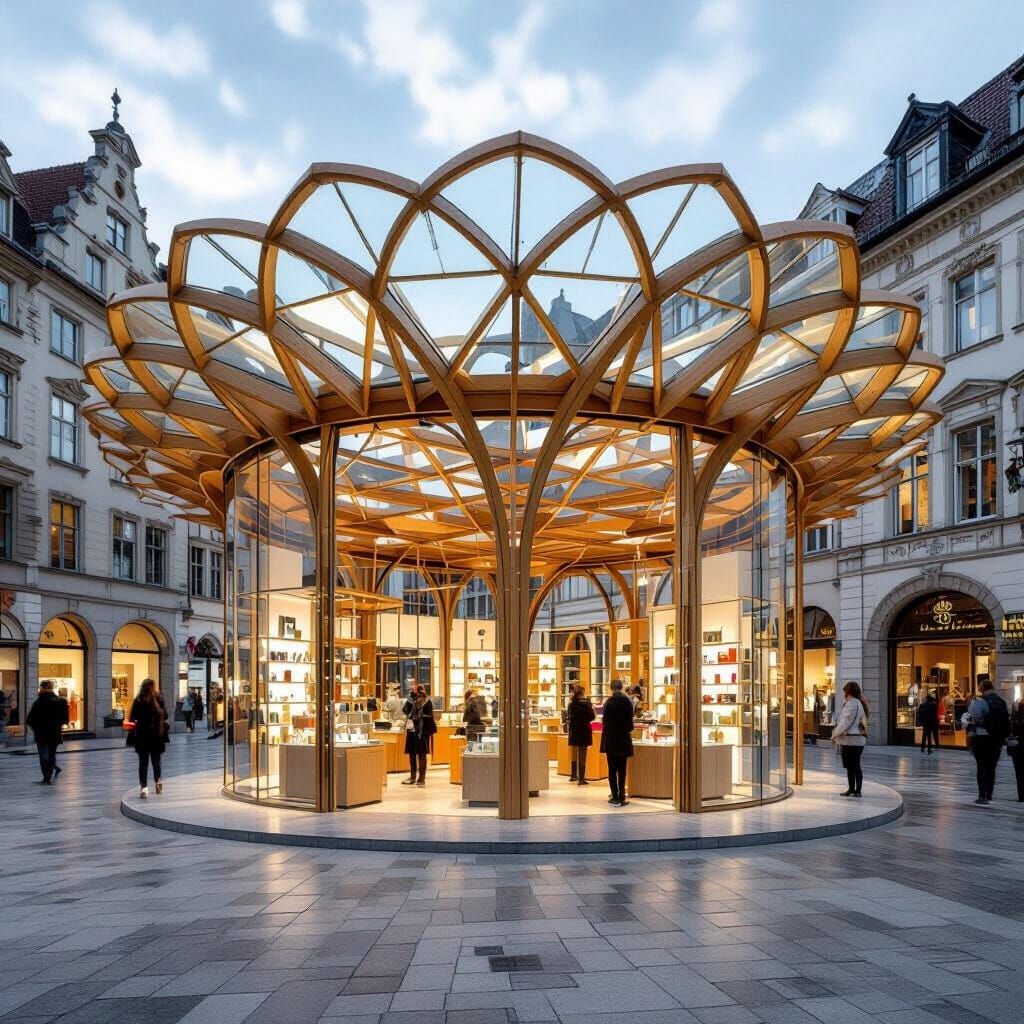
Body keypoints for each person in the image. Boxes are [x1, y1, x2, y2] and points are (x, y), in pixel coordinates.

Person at [963, 676, 1009, 805]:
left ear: (982, 688)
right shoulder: (1001, 702)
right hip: (996, 739)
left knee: (981, 766)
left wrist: (970, 733)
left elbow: (972, 719)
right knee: (991, 767)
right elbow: (1006, 721)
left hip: (981, 737)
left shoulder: (979, 701)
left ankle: (982, 795)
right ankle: (989, 794)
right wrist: (1004, 737)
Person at [129, 678, 169, 798]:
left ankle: (145, 787)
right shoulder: (158, 699)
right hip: (154, 735)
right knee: (155, 761)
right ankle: (156, 783)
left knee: (145, 763)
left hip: (144, 736)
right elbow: (165, 715)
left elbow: (132, 718)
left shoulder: (140, 700)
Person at [25, 680, 69, 785]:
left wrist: (35, 727)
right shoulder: (61, 701)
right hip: (54, 733)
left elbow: (29, 720)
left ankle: (46, 777)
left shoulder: (38, 702)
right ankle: (48, 776)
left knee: (43, 756)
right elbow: (65, 719)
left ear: (42, 688)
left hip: (41, 733)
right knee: (51, 755)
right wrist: (57, 725)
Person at [831, 681, 869, 798]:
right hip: (857, 740)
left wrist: (835, 734)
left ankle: (854, 790)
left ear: (848, 692)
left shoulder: (852, 704)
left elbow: (845, 722)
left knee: (852, 766)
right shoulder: (859, 703)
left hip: (851, 740)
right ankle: (855, 790)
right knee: (855, 766)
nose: (844, 694)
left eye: (845, 692)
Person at [600, 679, 634, 807]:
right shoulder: (627, 702)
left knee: (612, 769)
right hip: (623, 739)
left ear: (611, 688)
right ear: (622, 687)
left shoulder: (608, 702)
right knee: (622, 769)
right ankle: (622, 796)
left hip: (611, 739)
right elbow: (630, 724)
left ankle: (614, 796)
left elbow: (605, 722)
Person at [401, 688, 436, 786]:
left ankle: (421, 777)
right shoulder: (413, 700)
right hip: (412, 730)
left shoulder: (427, 702)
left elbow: (428, 717)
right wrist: (410, 700)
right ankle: (413, 777)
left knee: (421, 754)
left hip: (422, 732)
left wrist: (418, 709)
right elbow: (405, 710)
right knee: (412, 753)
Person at [567, 685, 595, 785]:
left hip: (574, 730)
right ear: (582, 693)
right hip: (584, 730)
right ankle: (581, 778)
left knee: (574, 751)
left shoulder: (571, 704)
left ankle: (573, 775)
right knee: (583, 753)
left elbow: (569, 717)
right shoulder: (587, 704)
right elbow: (592, 717)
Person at [1007, 697, 1024, 803]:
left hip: (1018, 748)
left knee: (1019, 772)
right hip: (1019, 747)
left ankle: (1021, 795)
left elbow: (1011, 732)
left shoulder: (1016, 720)